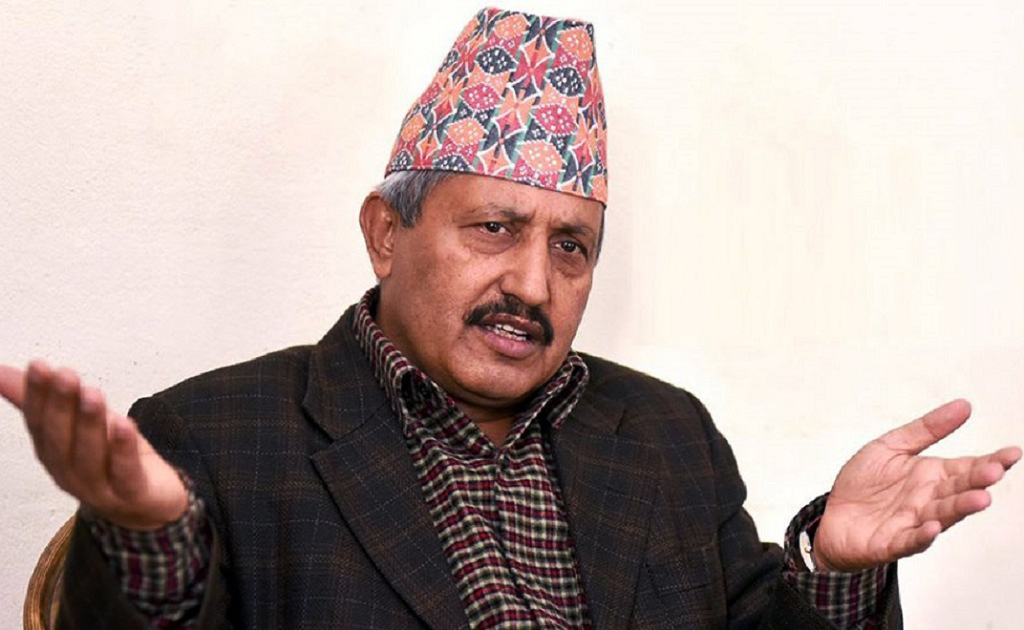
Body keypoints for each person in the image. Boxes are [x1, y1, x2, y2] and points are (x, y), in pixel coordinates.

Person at [1, 7, 1019, 629]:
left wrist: (835, 566)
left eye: (572, 246)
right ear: (385, 233)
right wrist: (149, 536)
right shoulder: (216, 439)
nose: (533, 284)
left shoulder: (667, 436)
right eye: (494, 228)